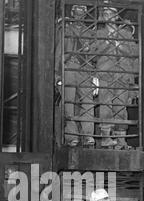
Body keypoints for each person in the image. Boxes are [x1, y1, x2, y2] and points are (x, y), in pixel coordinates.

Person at [93, 5, 138, 148]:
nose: (108, 16)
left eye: (110, 13)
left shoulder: (125, 34)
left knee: (120, 108)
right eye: (105, 13)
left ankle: (120, 141)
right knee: (105, 106)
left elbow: (133, 53)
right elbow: (93, 54)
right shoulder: (98, 34)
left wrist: (119, 46)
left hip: (122, 75)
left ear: (115, 15)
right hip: (105, 74)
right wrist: (107, 44)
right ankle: (106, 138)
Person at [55, 4, 95, 147]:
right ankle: (72, 137)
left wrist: (94, 75)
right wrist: (57, 74)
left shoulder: (90, 33)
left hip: (85, 70)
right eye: (77, 11)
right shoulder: (65, 30)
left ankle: (88, 135)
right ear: (72, 13)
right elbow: (59, 51)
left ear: (85, 14)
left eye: (82, 12)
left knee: (88, 103)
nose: (79, 15)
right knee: (69, 103)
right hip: (69, 67)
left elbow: (94, 56)